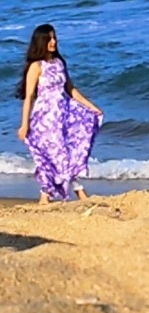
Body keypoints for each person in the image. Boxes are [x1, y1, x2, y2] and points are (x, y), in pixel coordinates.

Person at [16, 23, 103, 204]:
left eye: (54, 37)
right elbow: (29, 97)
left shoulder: (59, 63)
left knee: (67, 152)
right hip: (44, 118)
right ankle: (78, 192)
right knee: (55, 155)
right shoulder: (36, 66)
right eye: (49, 38)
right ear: (41, 42)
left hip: (63, 116)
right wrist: (24, 124)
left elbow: (70, 89)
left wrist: (92, 107)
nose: (53, 41)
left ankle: (44, 196)